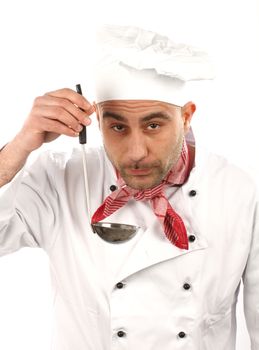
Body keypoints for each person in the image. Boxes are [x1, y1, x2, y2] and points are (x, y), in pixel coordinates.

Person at [0, 25, 258, 350]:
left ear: (187, 117)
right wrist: (20, 147)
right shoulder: (60, 178)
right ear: (97, 120)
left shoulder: (239, 190)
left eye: (153, 125)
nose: (136, 151)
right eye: (117, 126)